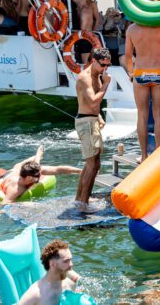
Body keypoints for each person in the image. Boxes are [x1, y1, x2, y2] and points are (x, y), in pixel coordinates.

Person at [124, 13, 160, 162]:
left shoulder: (132, 29)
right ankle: (158, 155)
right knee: (159, 115)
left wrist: (131, 73)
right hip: (158, 72)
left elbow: (127, 56)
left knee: (142, 115)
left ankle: (144, 156)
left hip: (141, 73)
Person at [74, 48, 110, 212]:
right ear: (94, 61)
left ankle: (79, 199)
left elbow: (94, 105)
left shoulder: (97, 75)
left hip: (91, 120)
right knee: (93, 165)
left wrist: (98, 117)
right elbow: (94, 102)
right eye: (103, 65)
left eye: (108, 65)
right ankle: (83, 203)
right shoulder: (85, 77)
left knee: (91, 164)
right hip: (86, 122)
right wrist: (107, 84)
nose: (105, 69)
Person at [0, 145, 79, 204]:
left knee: (31, 164)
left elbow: (58, 170)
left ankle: (38, 154)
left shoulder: (28, 173)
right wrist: (24, 204)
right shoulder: (16, 188)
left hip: (16, 171)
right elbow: (4, 203)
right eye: (38, 176)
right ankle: (38, 155)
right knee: (18, 166)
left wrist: (81, 171)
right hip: (4, 178)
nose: (40, 177)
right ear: (29, 177)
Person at [17, 239, 79, 305]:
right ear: (52, 264)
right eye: (66, 261)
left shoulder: (70, 282)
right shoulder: (36, 294)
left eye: (70, 260)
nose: (71, 264)